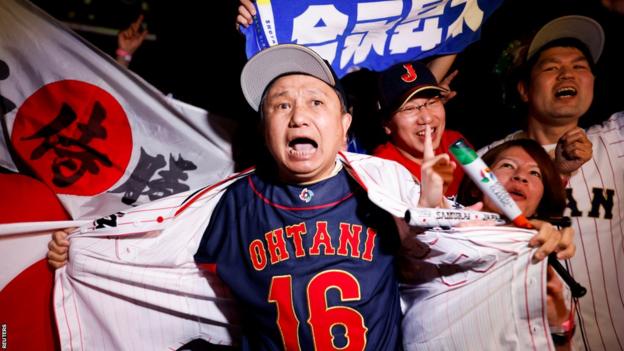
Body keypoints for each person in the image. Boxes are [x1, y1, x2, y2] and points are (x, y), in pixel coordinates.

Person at [48, 44, 575, 350]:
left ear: (344, 124)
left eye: (316, 102)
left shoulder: (382, 186)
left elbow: (445, 246)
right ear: (264, 129)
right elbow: (150, 240)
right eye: (280, 105)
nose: (298, 115)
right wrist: (85, 245)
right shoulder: (229, 204)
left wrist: (529, 238)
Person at [481, 15, 624, 350]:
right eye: (551, 67)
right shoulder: (488, 159)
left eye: (579, 66)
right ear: (524, 89)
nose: (567, 74)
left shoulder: (616, 141)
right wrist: (558, 173)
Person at [401, 138, 575, 350]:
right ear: (475, 187)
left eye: (535, 173)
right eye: (507, 165)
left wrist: (558, 321)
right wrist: (427, 205)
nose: (520, 176)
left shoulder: (546, 262)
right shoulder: (443, 225)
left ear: (540, 201)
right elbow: (413, 248)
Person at [373, 61, 467, 197]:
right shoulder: (382, 169)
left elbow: (486, 188)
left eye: (432, 102)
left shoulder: (456, 143)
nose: (427, 118)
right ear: (387, 125)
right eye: (409, 108)